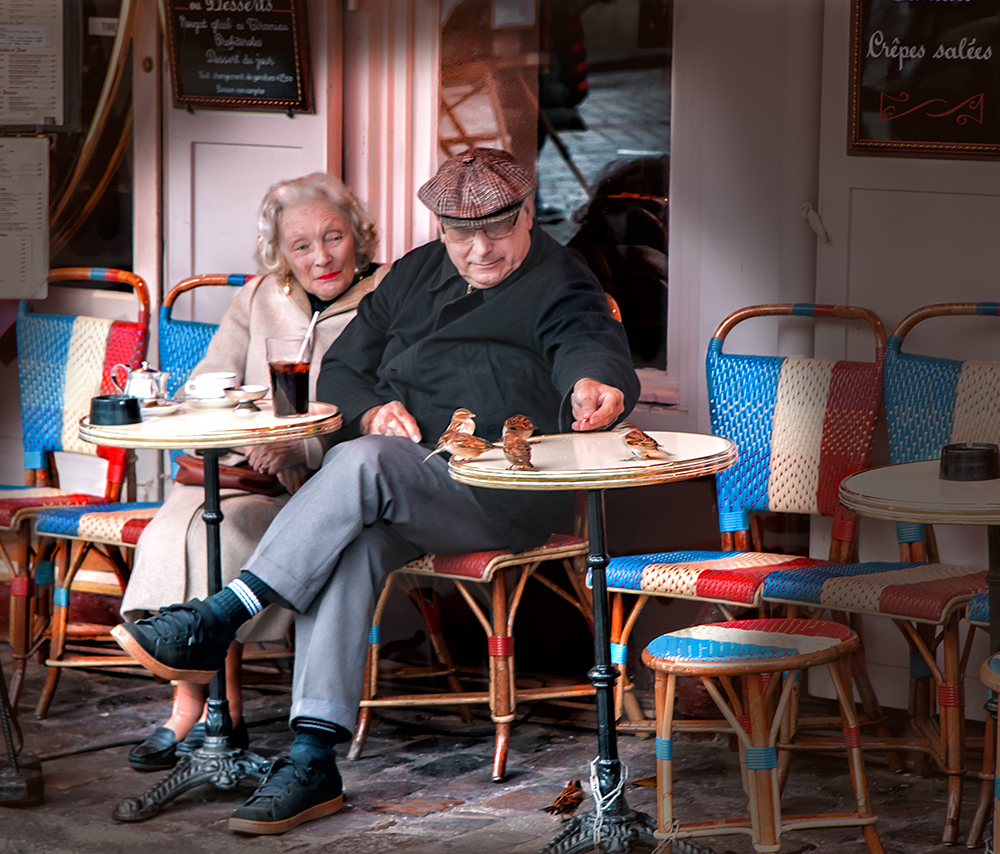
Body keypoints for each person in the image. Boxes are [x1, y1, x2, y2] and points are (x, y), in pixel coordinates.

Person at [112, 148, 640, 834]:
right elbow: (343, 374)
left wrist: (594, 385)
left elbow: (587, 342)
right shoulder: (415, 273)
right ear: (440, 228)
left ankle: (217, 618)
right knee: (352, 541)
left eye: (497, 232)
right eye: (460, 235)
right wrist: (368, 412)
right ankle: (312, 757)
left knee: (366, 463)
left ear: (527, 216)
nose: (480, 250)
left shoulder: (561, 279)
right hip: (400, 485)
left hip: (495, 489)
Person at [121, 172, 385, 772]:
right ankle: (206, 706)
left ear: (358, 235)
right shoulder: (262, 296)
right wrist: (250, 424)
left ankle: (212, 712)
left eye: (334, 237)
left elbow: (396, 408)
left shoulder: (388, 295)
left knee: (225, 537)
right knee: (176, 530)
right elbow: (204, 385)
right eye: (302, 246)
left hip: (327, 487)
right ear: (280, 255)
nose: (321, 257)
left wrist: (305, 450)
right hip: (245, 470)